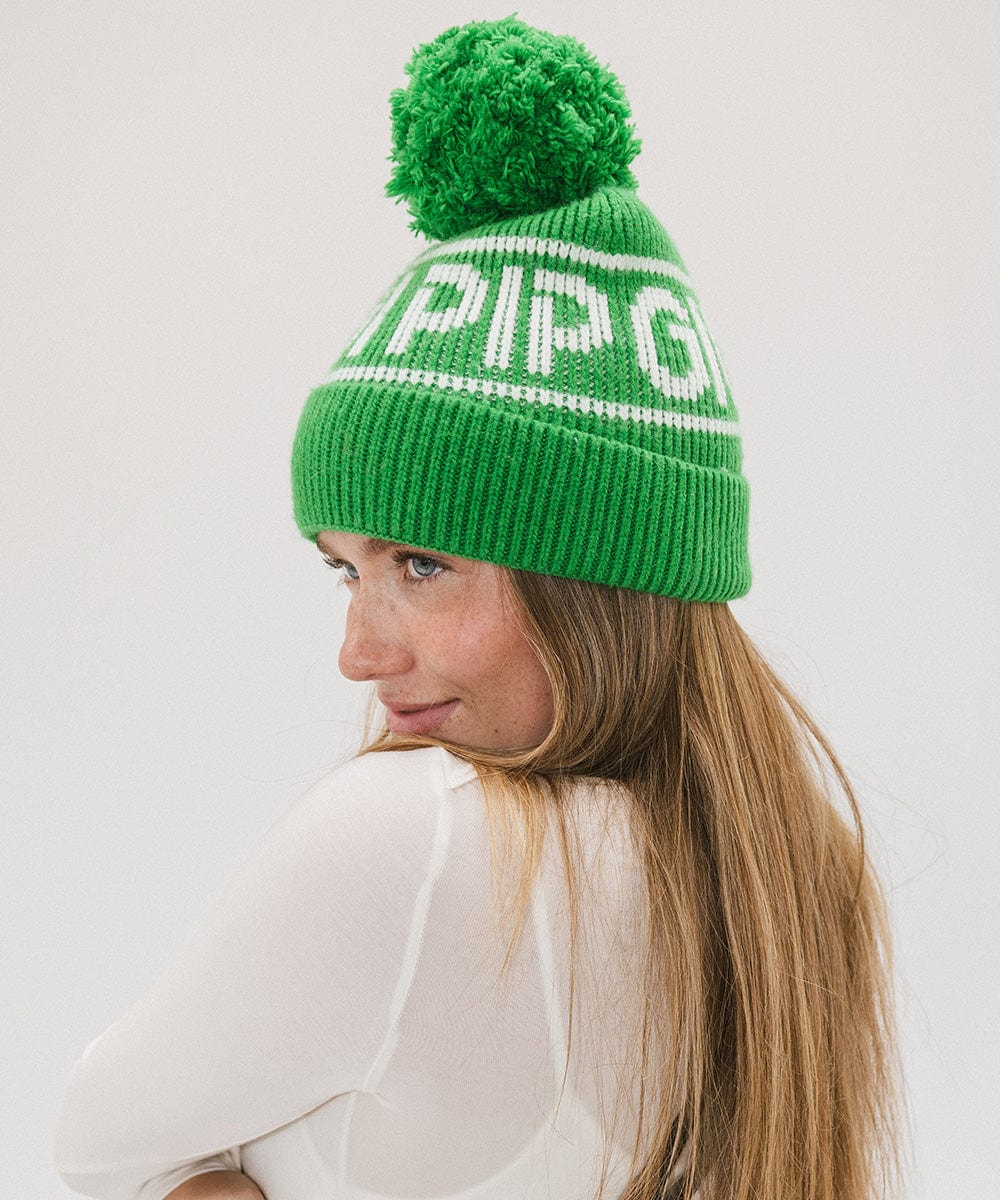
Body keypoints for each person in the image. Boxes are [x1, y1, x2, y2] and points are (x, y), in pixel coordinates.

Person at [54, 17, 901, 1200]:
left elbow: (93, 1146)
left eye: (421, 564)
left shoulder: (417, 834)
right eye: (346, 571)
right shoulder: (803, 885)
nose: (357, 652)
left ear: (596, 581)